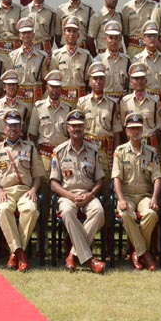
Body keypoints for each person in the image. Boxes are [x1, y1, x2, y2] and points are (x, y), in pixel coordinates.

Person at [50, 110, 107, 274]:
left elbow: (100, 180)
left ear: (84, 128)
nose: (77, 129)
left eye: (80, 126)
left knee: (98, 211)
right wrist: (70, 196)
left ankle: (73, 255)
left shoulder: (93, 151)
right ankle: (88, 260)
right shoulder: (59, 151)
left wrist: (90, 195)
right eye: (73, 126)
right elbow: (54, 184)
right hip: (67, 195)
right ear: (68, 128)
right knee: (67, 211)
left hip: (88, 194)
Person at [0, 109, 40, 272]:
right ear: (4, 128)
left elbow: (38, 174)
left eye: (16, 125)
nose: (13, 129)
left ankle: (14, 253)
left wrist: (34, 190)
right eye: (10, 125)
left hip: (25, 191)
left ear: (21, 128)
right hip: (6, 192)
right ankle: (20, 254)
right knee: (3, 210)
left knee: (31, 210)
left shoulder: (30, 147)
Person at [113, 113, 161, 271]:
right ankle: (145, 254)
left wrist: (154, 198)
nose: (135, 132)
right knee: (125, 214)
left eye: (138, 129)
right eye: (132, 129)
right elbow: (116, 178)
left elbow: (157, 177)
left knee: (151, 214)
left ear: (142, 130)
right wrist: (121, 199)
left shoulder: (151, 152)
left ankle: (137, 251)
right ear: (127, 131)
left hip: (144, 196)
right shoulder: (120, 151)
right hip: (127, 196)